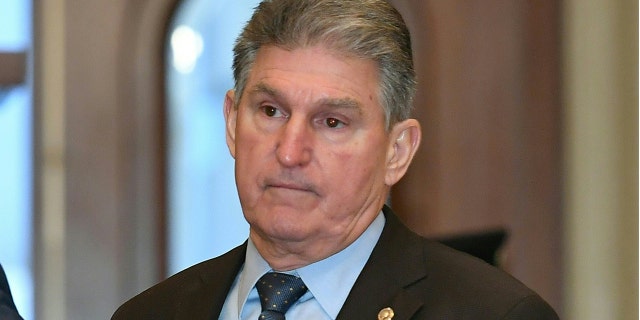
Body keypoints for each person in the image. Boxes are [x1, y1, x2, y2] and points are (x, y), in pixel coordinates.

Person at [113, 0, 559, 318]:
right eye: (271, 112)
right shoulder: (152, 313)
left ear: (396, 152)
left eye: (332, 123)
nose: (289, 152)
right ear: (232, 123)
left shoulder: (496, 314)